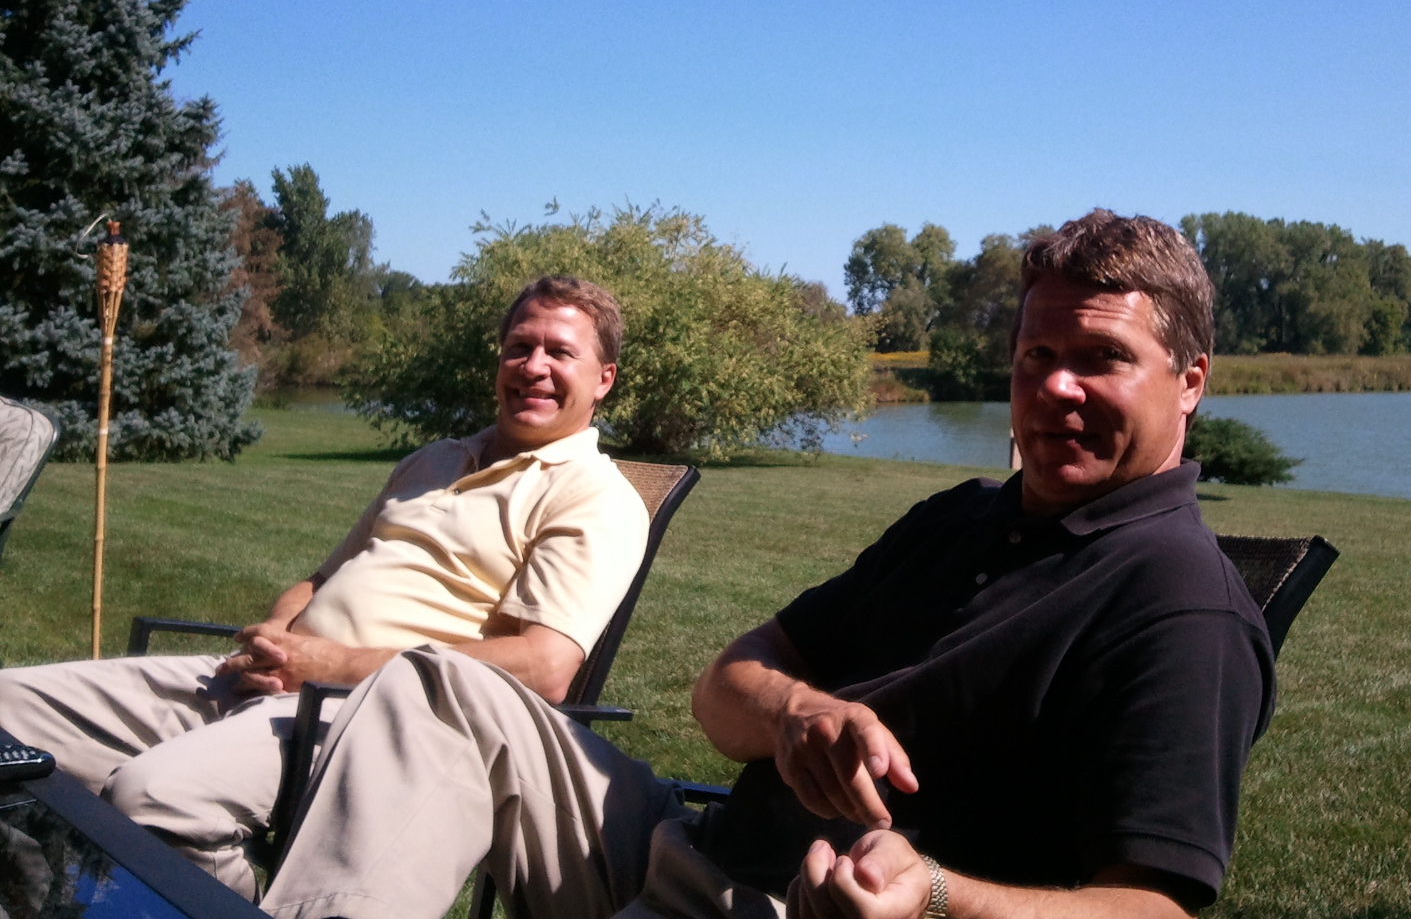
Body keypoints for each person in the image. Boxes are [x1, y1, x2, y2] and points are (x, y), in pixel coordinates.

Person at [261, 210, 1275, 919]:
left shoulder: (1176, 601)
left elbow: (1154, 906)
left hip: (779, 908)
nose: (1054, 389)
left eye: (1100, 359)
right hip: (678, 851)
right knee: (438, 684)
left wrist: (934, 895)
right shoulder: (960, 519)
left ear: (1189, 381)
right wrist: (795, 712)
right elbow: (723, 689)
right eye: (1033, 359)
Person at [0, 276, 648, 900]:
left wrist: (331, 666)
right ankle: (37, 899)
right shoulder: (434, 461)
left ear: (603, 379)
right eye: (520, 347)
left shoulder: (594, 495)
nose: (534, 366)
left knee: (153, 799)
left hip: (376, 721)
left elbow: (543, 668)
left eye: (560, 352)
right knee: (7, 713)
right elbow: (321, 580)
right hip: (265, 678)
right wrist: (276, 635)